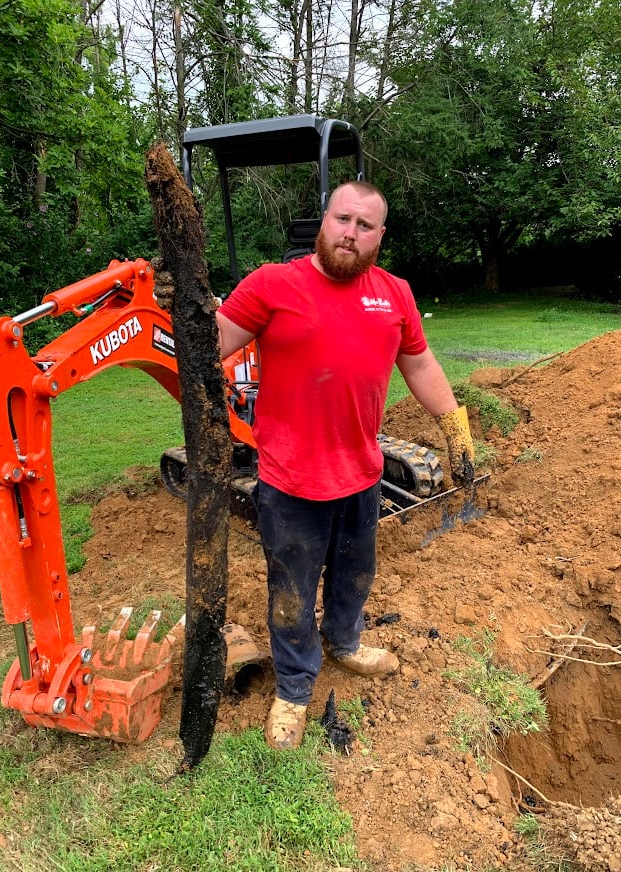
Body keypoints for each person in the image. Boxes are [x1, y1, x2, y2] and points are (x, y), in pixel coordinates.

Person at [216, 181, 475, 750]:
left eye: (365, 225)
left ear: (380, 236)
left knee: (355, 576)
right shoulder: (272, 284)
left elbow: (421, 365)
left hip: (361, 473)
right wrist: (183, 308)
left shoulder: (395, 294)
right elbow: (212, 341)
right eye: (342, 219)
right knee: (291, 589)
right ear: (324, 221)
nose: (350, 233)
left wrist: (454, 424)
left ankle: (345, 641)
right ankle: (293, 686)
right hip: (290, 480)